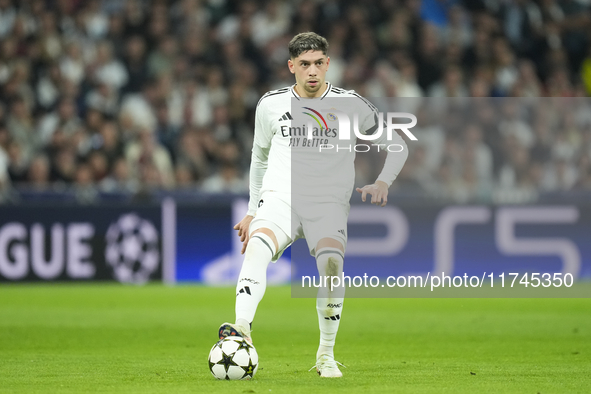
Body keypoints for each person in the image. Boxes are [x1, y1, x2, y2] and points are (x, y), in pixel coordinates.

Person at [218, 32, 409, 378]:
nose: (312, 71)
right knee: (256, 250)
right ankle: (242, 329)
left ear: (328, 64)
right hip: (281, 198)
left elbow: (398, 144)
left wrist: (383, 182)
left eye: (318, 63)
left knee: (332, 266)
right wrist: (252, 210)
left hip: (327, 204)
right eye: (304, 64)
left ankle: (325, 354)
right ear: (291, 66)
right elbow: (259, 159)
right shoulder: (270, 105)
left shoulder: (351, 104)